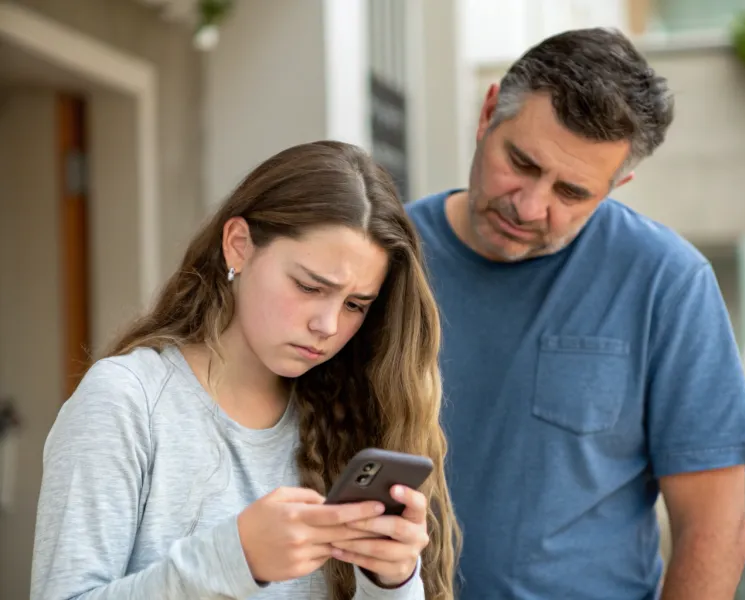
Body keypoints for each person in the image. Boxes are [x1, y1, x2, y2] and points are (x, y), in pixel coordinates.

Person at [407, 28, 745, 599]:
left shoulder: (666, 281)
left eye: (571, 192)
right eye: (520, 162)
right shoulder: (381, 259)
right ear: (487, 114)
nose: (529, 206)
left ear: (616, 186)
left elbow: (714, 528)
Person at [31, 141, 460, 600]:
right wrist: (234, 559)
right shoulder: (126, 401)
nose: (328, 326)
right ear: (239, 246)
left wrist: (392, 582)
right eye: (310, 286)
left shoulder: (353, 414)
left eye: (355, 305)